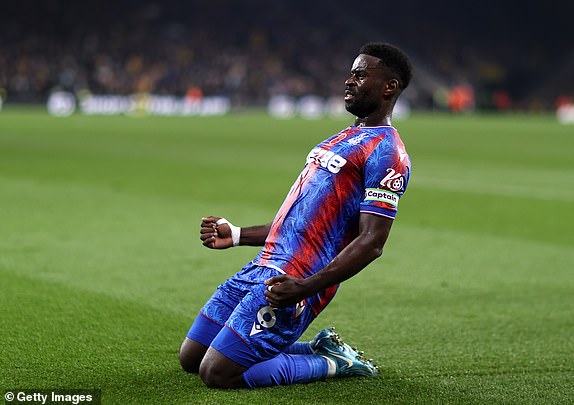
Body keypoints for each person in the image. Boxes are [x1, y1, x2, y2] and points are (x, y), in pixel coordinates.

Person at [179, 42, 413, 388]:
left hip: (296, 278)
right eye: (350, 74)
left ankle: (331, 363)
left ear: (389, 87)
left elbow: (372, 242)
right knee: (191, 358)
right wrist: (240, 234)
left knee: (216, 373)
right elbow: (299, 219)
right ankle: (318, 348)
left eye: (360, 75)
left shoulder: (388, 153)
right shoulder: (343, 137)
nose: (349, 81)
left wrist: (304, 288)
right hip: (262, 265)